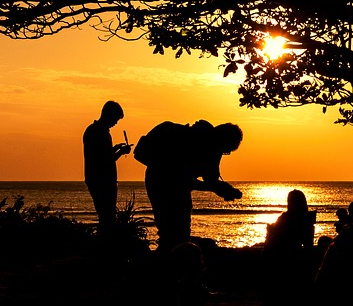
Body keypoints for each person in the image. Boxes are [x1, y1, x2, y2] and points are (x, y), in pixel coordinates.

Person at [134, 119, 242, 252]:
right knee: (169, 232)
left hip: (176, 189)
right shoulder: (176, 134)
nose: (223, 154)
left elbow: (209, 182)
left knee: (179, 233)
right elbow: (184, 179)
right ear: (219, 140)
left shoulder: (213, 148)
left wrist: (226, 190)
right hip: (159, 184)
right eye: (225, 150)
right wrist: (219, 188)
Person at [82, 100, 132, 235]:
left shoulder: (93, 130)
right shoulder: (100, 133)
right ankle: (106, 246)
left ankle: (105, 245)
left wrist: (114, 148)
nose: (115, 123)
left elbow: (101, 155)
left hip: (96, 178)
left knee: (105, 216)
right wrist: (121, 152)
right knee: (107, 217)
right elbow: (105, 160)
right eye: (115, 119)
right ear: (109, 115)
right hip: (102, 180)